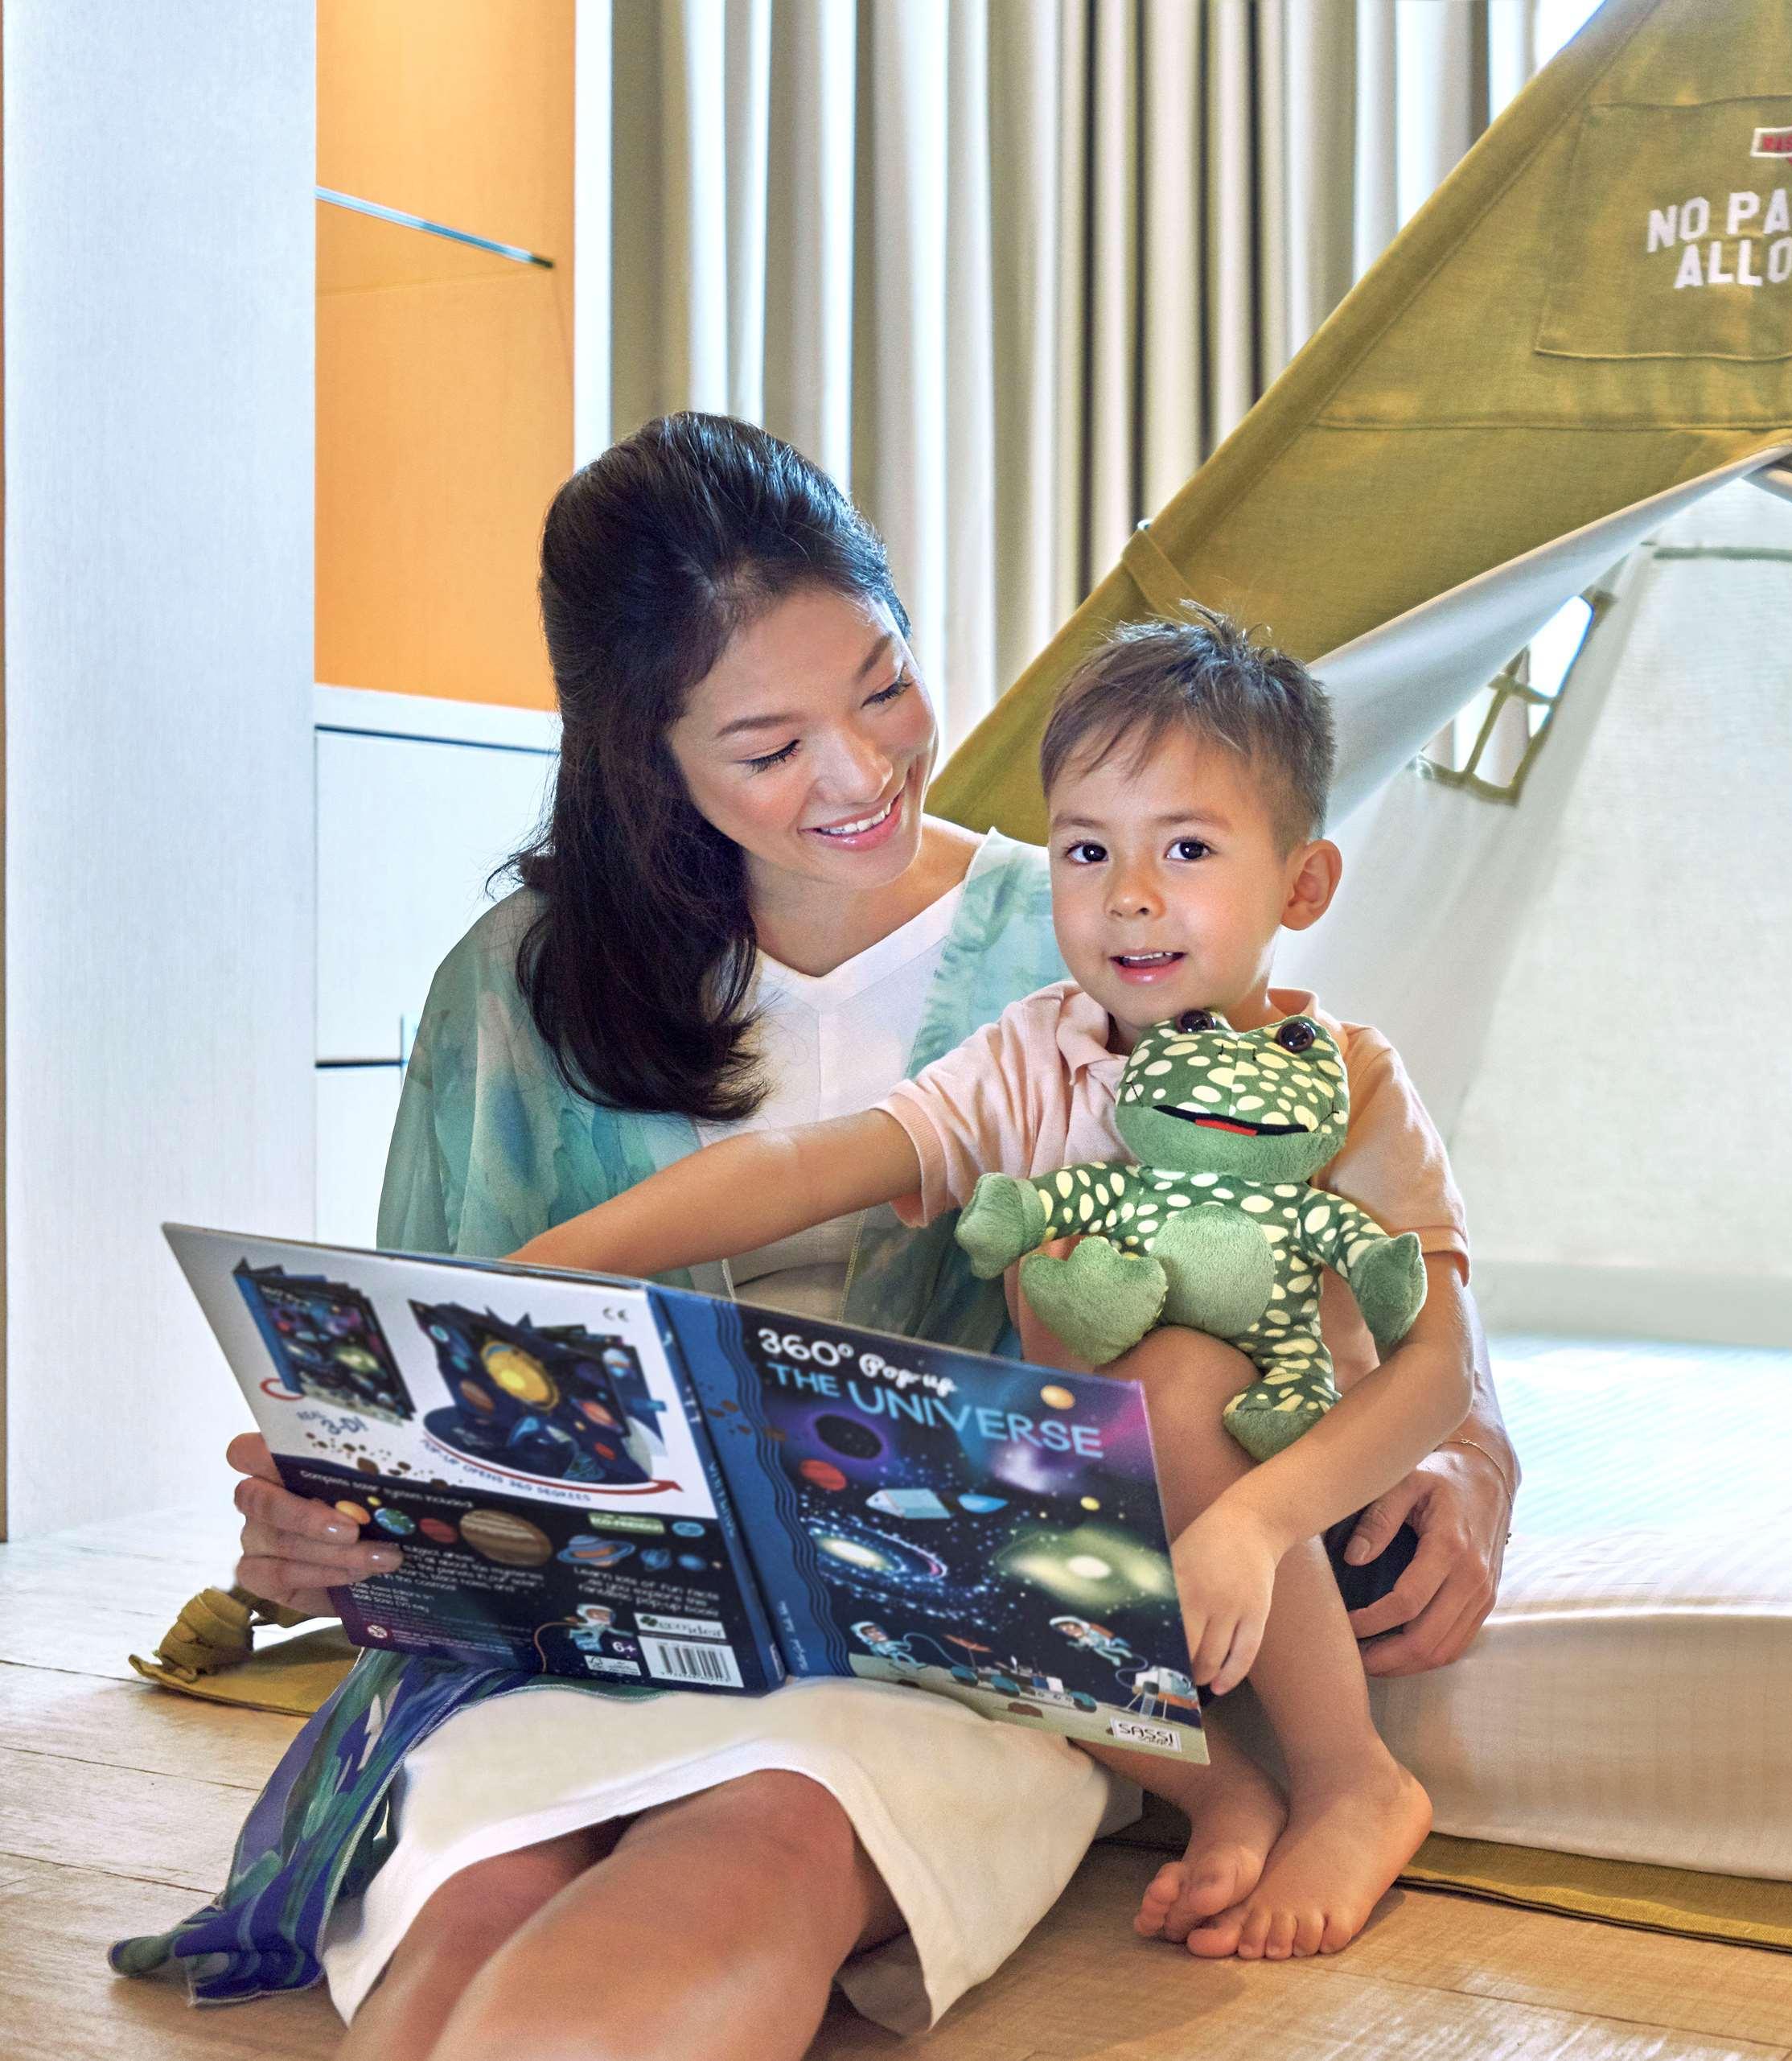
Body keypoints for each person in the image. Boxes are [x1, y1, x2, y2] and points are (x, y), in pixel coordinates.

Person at [119, 413, 1520, 2059]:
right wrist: (327, 1518)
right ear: (649, 758)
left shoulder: (1081, 952)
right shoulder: (516, 989)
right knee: (471, 1910)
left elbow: (1387, 1271)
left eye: (882, 686)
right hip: (584, 1646)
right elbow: (461, 1368)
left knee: (739, 1861)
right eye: (770, 745)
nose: (857, 774)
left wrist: (1467, 1458)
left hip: (941, 1658)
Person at [514, 610, 1461, 1963]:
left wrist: (1255, 1522)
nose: (1130, 894)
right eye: (1088, 850)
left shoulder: (1344, 1077)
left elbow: (1443, 1371)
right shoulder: (1034, 1052)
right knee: (886, 1485)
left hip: (1287, 1479)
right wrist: (536, 1272)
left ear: (1302, 883)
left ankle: (1354, 1774)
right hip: (1085, 1499)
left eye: (1187, 849)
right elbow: (799, 1166)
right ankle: (1214, 1783)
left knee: (1180, 1379)